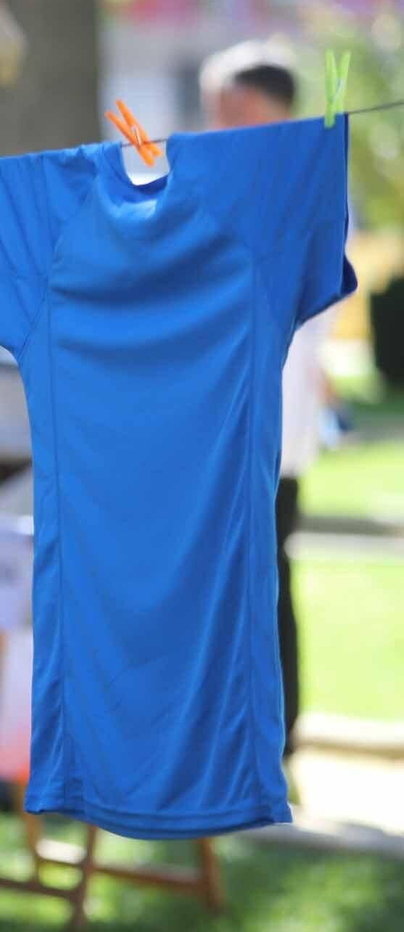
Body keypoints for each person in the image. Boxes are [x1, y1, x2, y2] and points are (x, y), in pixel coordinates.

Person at [201, 39, 340, 759]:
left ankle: (270, 731)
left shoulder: (299, 187)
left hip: (269, 428)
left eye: (227, 108)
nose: (216, 123)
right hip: (229, 425)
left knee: (261, 579)